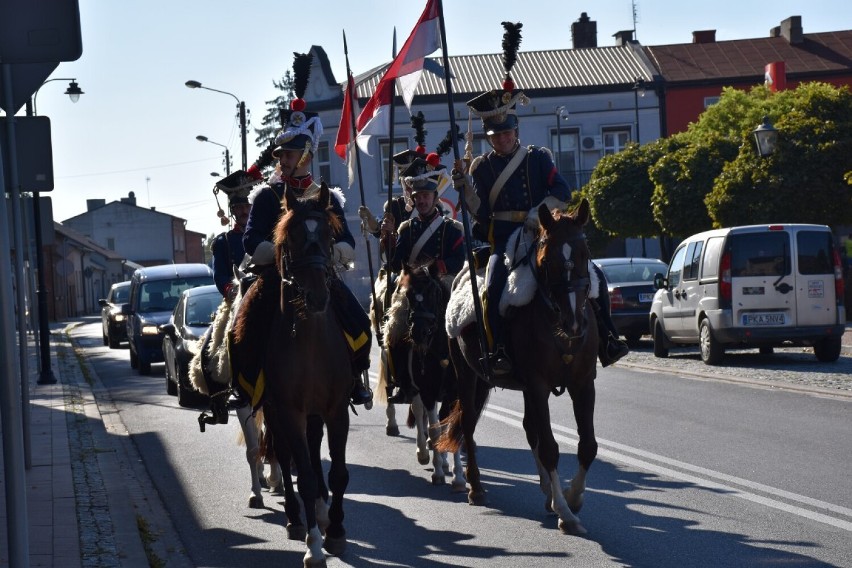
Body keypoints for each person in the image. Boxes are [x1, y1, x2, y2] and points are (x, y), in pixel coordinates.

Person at [452, 21, 628, 375]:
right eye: (495, 134)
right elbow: (481, 217)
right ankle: (500, 348)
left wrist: (538, 213)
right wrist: (467, 191)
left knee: (592, 276)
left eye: (506, 132)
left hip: (543, 233)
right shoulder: (482, 169)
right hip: (504, 241)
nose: (501, 138)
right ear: (489, 137)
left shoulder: (538, 157)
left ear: (516, 130)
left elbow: (562, 192)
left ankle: (608, 337)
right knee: (495, 285)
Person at [242, 52, 373, 406]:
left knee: (360, 324)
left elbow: (346, 240)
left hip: (320, 275)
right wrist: (280, 254)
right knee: (244, 329)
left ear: (306, 154)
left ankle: (356, 379)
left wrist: (329, 254)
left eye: (290, 153)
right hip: (276, 278)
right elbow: (251, 239)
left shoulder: (326, 197)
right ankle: (246, 386)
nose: (283, 159)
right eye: (281, 154)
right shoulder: (268, 196)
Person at [382, 156, 465, 403]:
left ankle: (464, 370)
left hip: (442, 281)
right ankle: (402, 382)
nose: (422, 200)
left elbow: (457, 260)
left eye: (426, 196)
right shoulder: (406, 229)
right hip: (413, 287)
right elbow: (396, 263)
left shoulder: (451, 228)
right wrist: (388, 241)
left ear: (435, 198)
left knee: (463, 320)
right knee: (394, 328)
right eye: (417, 197)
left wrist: (435, 269)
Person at [210, 169, 265, 300]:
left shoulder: (267, 235)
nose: (244, 211)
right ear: (233, 210)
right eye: (239, 207)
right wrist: (230, 291)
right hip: (237, 298)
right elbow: (220, 276)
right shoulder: (223, 242)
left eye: (248, 206)